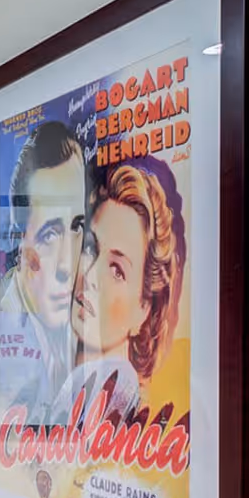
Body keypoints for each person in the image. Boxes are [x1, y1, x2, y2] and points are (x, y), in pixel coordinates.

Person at [56, 161, 184, 425]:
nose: (91, 275)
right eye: (90, 248)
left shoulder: (116, 388)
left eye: (117, 270)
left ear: (144, 309)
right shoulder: (71, 381)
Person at [0, 121, 87, 425]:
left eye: (76, 227)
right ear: (16, 238)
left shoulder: (85, 329)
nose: (66, 265)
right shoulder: (0, 342)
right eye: (49, 234)